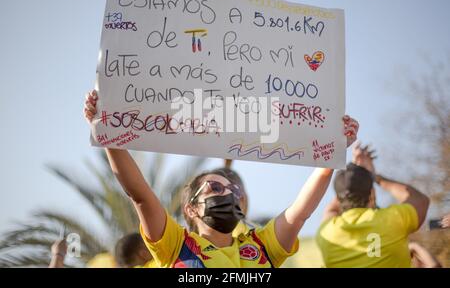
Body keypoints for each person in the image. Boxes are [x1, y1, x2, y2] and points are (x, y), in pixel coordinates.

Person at [84, 89, 359, 268]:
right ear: (191, 208)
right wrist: (107, 135)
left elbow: (300, 213)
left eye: (233, 189)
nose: (228, 193)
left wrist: (331, 154)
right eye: (215, 187)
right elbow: (140, 194)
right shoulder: (176, 246)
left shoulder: (262, 247)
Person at [316, 143, 430, 268]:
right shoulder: (393, 220)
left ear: (338, 197)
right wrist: (374, 176)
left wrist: (352, 178)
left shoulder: (326, 232)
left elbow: (331, 209)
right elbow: (421, 201)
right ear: (372, 193)